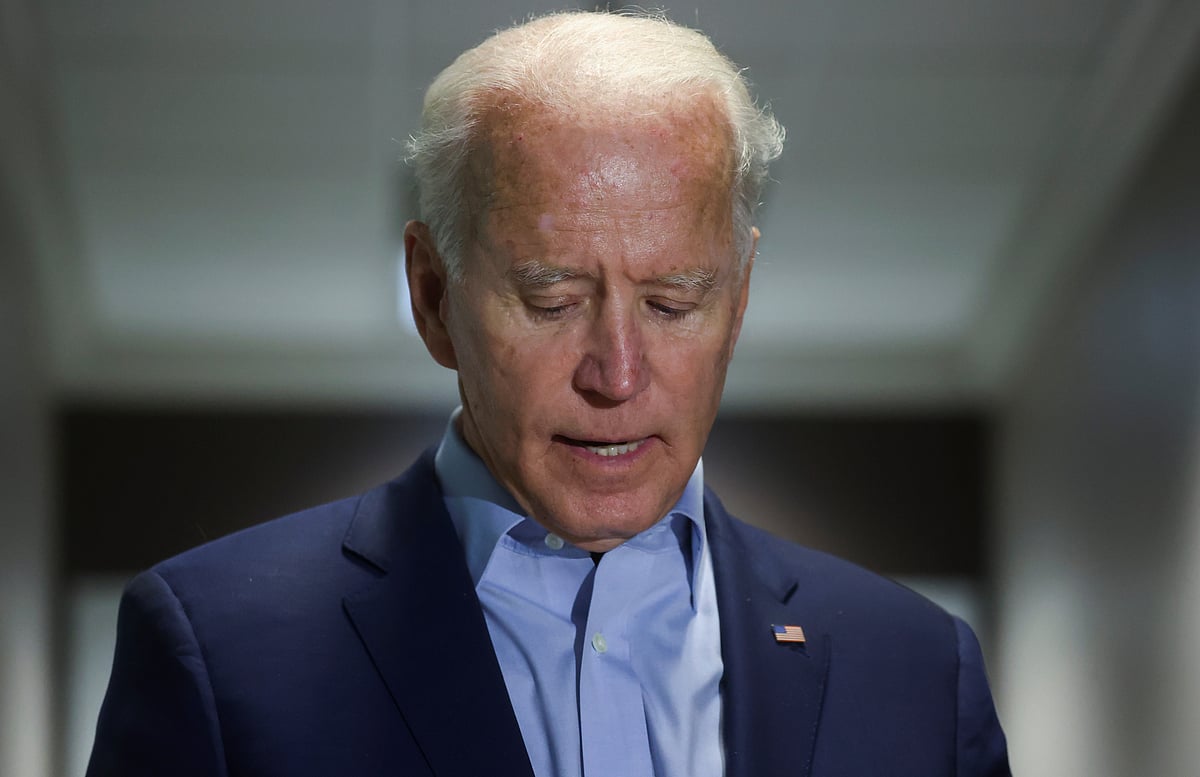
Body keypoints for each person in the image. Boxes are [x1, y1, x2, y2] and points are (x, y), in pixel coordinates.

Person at [87, 10, 1010, 777]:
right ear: (433, 295)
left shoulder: (921, 675)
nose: (615, 373)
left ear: (739, 301)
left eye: (672, 302)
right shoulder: (217, 651)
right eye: (553, 299)